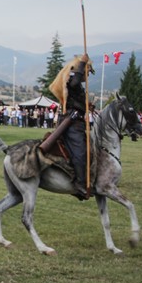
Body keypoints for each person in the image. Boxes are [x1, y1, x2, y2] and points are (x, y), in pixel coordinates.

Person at [50, 54, 93, 200]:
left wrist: (87, 106)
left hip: (77, 122)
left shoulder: (78, 86)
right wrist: (82, 63)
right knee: (80, 152)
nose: (86, 75)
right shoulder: (72, 81)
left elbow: (77, 101)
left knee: (88, 149)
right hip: (71, 123)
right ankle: (79, 184)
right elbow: (74, 83)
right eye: (86, 72)